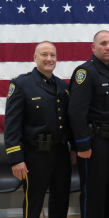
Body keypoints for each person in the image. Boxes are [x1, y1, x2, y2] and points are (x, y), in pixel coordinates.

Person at [4, 41, 76, 218]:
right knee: (33, 201)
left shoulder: (63, 87)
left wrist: (74, 146)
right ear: (35, 57)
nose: (49, 58)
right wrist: (16, 159)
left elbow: (69, 121)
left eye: (52, 55)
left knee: (61, 199)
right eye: (44, 55)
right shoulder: (21, 85)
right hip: (35, 156)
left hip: (60, 153)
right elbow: (11, 126)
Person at [68, 30, 109, 218]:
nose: (108, 47)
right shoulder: (86, 72)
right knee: (93, 194)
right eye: (103, 43)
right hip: (93, 144)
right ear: (93, 47)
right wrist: (82, 145)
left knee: (108, 191)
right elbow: (75, 112)